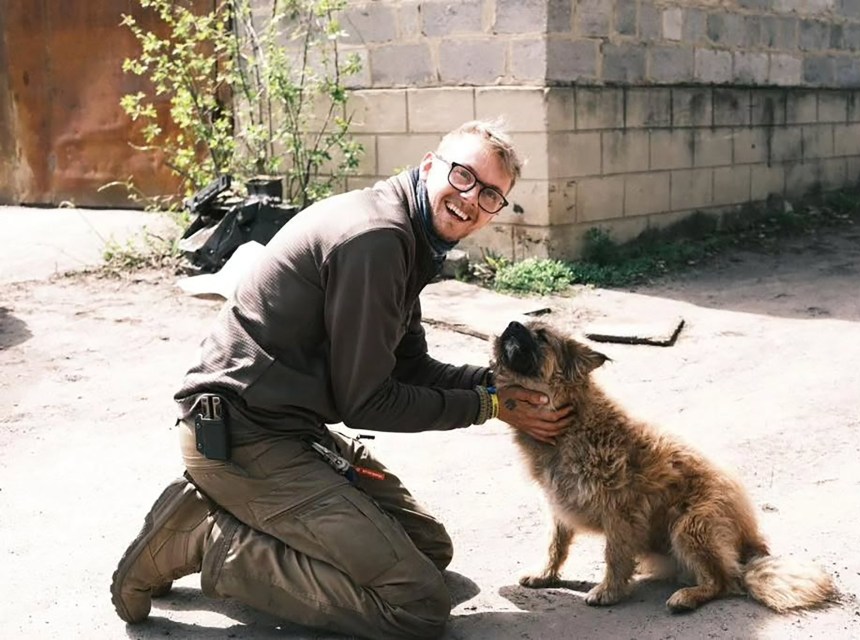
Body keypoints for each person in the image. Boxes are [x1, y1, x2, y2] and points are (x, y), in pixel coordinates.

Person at [110, 120, 573, 639]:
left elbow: (409, 367)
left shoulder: (406, 235)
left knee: (429, 549)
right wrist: (489, 408)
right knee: (417, 605)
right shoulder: (377, 239)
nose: (471, 198)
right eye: (463, 176)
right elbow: (368, 402)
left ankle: (240, 513)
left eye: (490, 195)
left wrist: (494, 385)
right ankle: (207, 537)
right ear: (429, 167)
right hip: (240, 436)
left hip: (289, 427)